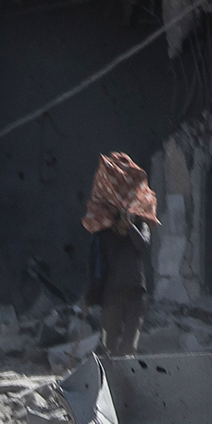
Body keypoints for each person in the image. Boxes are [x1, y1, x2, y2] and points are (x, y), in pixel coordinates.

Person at [82, 154, 159, 359]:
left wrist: (130, 226)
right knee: (108, 344)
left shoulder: (142, 224)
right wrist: (91, 294)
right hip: (112, 292)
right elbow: (96, 262)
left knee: (129, 346)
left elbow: (142, 244)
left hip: (135, 292)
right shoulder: (104, 231)